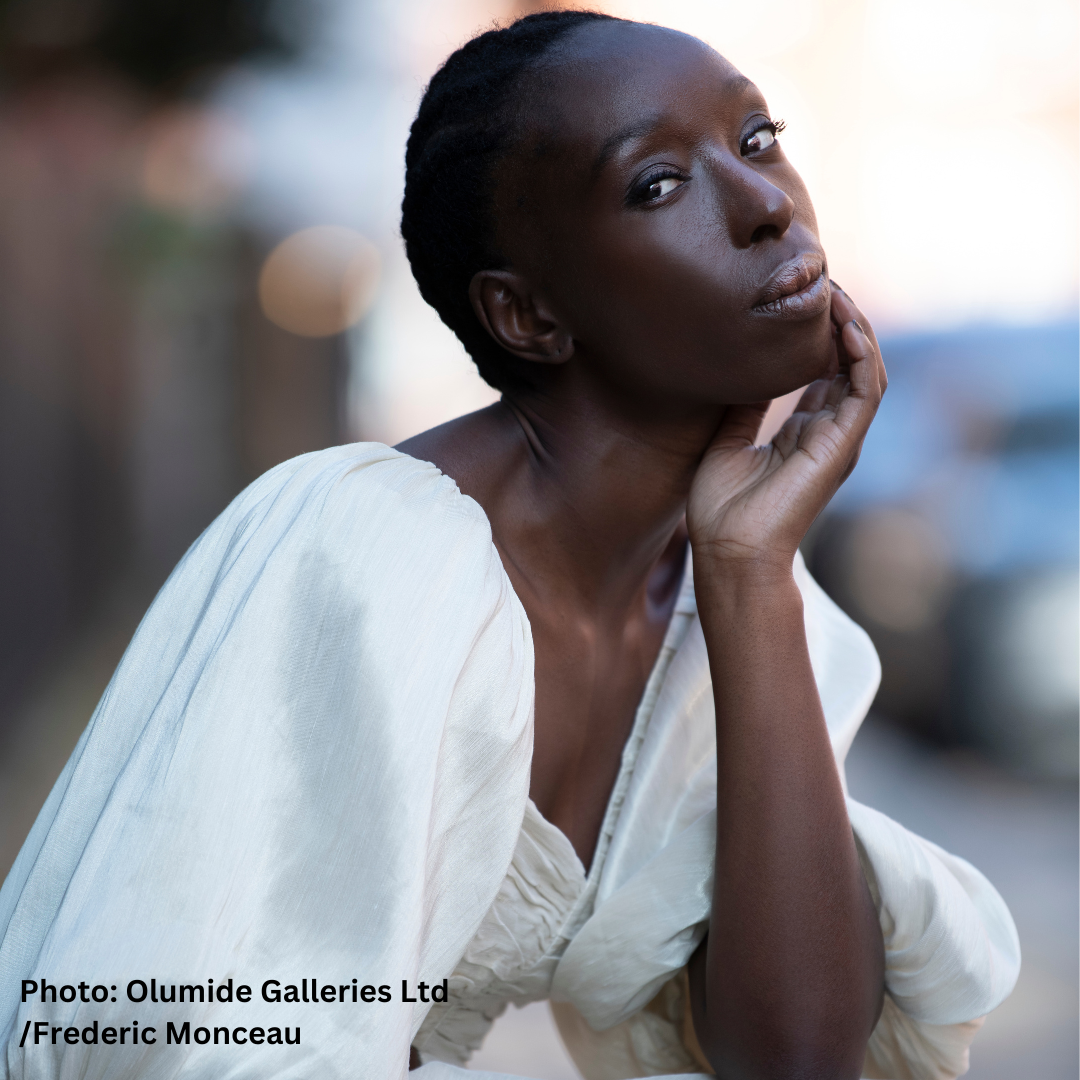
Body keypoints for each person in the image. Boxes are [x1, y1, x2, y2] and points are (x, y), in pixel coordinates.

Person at [0, 11, 1018, 1080]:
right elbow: (145, 1028)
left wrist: (751, 575)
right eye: (659, 184)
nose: (769, 206)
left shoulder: (732, 601)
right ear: (528, 316)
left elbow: (797, 1057)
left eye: (758, 138)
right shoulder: (366, 553)